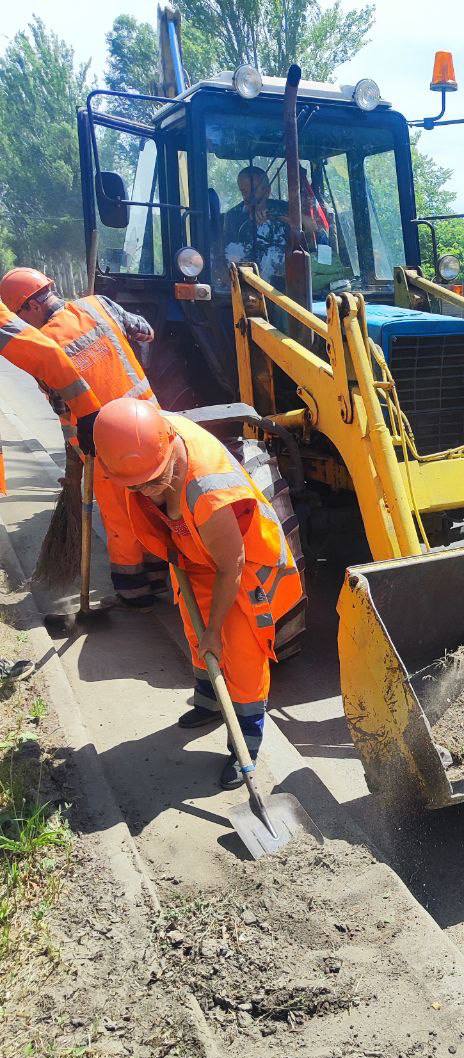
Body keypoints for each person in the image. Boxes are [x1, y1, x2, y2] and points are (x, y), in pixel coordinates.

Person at [93, 399, 304, 789]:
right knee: (196, 634)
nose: (147, 491)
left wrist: (216, 630)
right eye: (138, 485)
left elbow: (231, 567)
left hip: (242, 564)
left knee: (238, 652)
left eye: (154, 482)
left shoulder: (208, 492)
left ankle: (245, 747)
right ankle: (208, 703)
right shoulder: (142, 439)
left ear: (170, 448)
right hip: (192, 551)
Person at [0, 268, 166, 609]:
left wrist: (75, 461)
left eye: (19, 315)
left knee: (120, 513)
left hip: (105, 444)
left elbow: (67, 410)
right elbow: (146, 332)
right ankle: (161, 574)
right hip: (152, 426)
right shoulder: (98, 305)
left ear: (29, 307)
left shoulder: (43, 347)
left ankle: (135, 590)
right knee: (155, 502)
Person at [0, 299, 101, 495]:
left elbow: (47, 358)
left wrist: (87, 412)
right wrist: (87, 411)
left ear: (35, 305)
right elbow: (46, 356)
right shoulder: (94, 307)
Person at [221, 166, 289, 285]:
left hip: (289, 279)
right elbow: (231, 257)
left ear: (267, 191)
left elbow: (312, 227)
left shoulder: (284, 208)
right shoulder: (233, 217)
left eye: (253, 191)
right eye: (244, 192)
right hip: (252, 282)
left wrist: (282, 218)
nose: (248, 197)